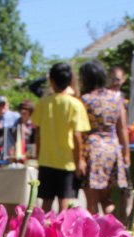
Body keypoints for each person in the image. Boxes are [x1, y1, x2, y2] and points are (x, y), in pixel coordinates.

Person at [32, 62, 91, 212]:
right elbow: (77, 135)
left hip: (46, 160)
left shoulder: (43, 103)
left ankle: (42, 233)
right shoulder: (76, 104)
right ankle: (61, 233)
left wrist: (38, 156)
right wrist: (79, 161)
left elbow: (37, 132)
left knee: (46, 201)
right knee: (63, 202)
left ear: (51, 81)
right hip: (67, 162)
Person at [79, 60, 130, 215]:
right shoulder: (116, 98)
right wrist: (126, 154)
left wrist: (79, 158)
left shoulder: (84, 100)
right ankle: (111, 228)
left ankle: (94, 233)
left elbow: (79, 131)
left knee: (91, 201)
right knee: (106, 199)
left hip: (91, 150)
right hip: (112, 149)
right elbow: (122, 128)